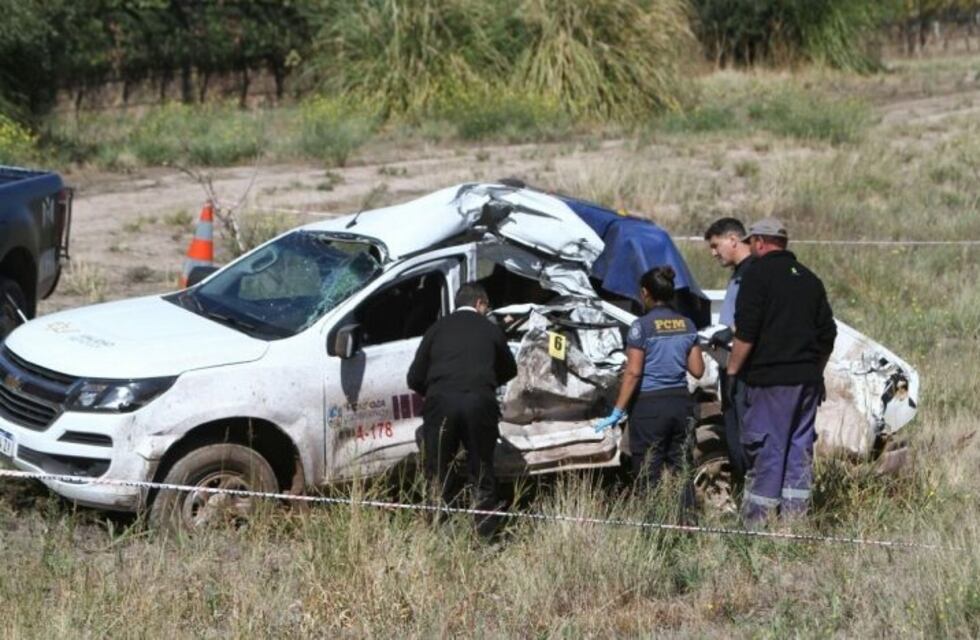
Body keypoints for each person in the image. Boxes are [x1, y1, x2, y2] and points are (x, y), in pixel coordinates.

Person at [726, 217, 837, 523]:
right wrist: (816, 371)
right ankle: (794, 524)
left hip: (771, 382)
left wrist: (732, 371)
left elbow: (746, 331)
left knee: (767, 449)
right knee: (798, 451)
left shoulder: (756, 275)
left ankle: (757, 524)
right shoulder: (810, 279)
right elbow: (828, 335)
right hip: (807, 383)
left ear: (759, 242)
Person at [407, 283, 518, 538]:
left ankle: (438, 532)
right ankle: (484, 535)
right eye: (486, 307)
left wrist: (439, 391)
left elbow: (414, 377)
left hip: (441, 403)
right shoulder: (490, 330)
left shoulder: (436, 329)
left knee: (437, 471)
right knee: (482, 471)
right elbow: (510, 369)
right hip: (480, 403)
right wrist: (483, 384)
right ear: (480, 303)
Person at [594, 266, 704, 489]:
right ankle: (685, 521)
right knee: (682, 471)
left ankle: (653, 522)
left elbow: (634, 372)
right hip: (680, 404)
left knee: (648, 473)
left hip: (649, 407)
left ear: (645, 293)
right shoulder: (687, 324)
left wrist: (617, 410)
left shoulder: (641, 327)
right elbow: (698, 370)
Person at [703, 217, 754, 483]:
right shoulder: (740, 272)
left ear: (733, 240)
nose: (713, 253)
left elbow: (751, 317)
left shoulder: (753, 272)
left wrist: (729, 332)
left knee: (745, 436)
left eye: (715, 245)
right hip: (731, 362)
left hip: (744, 367)